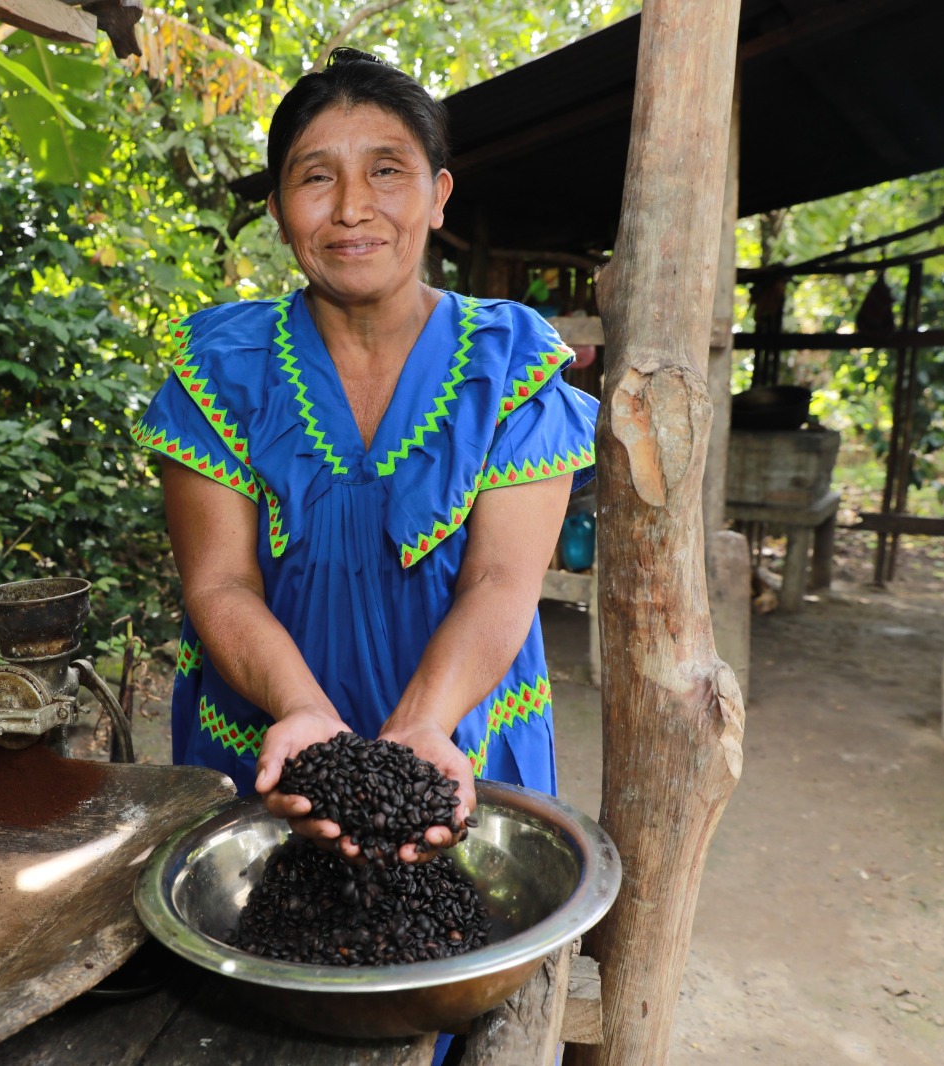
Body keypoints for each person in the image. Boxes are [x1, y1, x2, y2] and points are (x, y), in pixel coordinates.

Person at [134, 48, 597, 862]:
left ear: (437, 194)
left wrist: (423, 722)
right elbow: (221, 581)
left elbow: (501, 582)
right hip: (264, 737)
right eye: (317, 178)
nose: (353, 208)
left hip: (466, 739)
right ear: (279, 208)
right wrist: (303, 712)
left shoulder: (512, 365)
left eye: (388, 171)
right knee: (261, 944)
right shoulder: (220, 369)